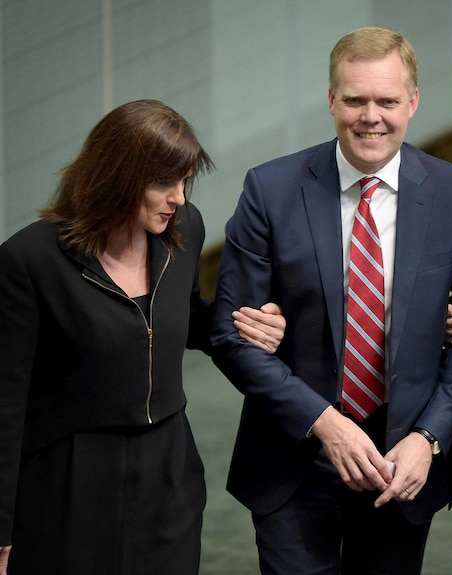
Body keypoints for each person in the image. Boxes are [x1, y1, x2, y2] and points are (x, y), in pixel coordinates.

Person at [209, 27, 452, 575]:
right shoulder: (270, 189)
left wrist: (428, 439)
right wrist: (326, 425)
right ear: (331, 99)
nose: (370, 117)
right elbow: (228, 335)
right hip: (294, 455)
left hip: (399, 465)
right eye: (355, 99)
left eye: (387, 101)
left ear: (413, 102)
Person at [0, 99, 286, 575]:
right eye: (163, 182)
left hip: (168, 472)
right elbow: (5, 404)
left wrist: (247, 326)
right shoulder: (28, 261)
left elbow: (186, 318)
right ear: (116, 176)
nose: (178, 197)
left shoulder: (185, 229)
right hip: (70, 480)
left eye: (185, 180)